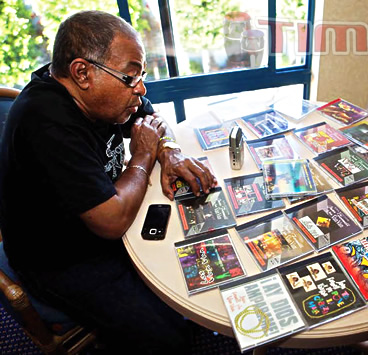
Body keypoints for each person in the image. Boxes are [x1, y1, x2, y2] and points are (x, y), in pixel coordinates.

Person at [0, 10, 217, 353]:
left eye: (141, 75)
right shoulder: (45, 124)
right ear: (82, 73)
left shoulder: (104, 97)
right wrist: (145, 156)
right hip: (59, 257)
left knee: (197, 248)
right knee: (168, 336)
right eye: (130, 77)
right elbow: (112, 221)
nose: (140, 88)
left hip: (101, 212)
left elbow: (152, 118)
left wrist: (171, 151)